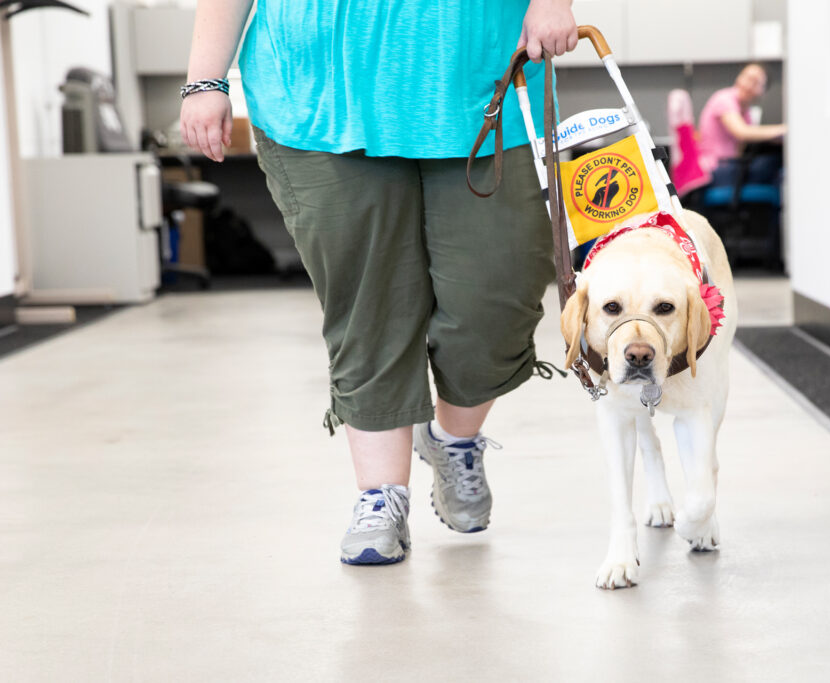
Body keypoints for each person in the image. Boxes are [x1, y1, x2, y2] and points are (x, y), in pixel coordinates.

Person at [180, 0, 577, 566]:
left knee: (498, 296)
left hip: (485, 82)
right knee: (369, 303)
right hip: (319, 91)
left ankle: (454, 440)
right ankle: (380, 497)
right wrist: (204, 79)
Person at [697, 63, 786, 184]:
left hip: (730, 166)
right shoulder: (724, 99)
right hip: (716, 169)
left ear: (763, 91)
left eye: (755, 82)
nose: (748, 85)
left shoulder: (746, 111)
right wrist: (783, 129)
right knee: (774, 163)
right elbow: (742, 132)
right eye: (746, 77)